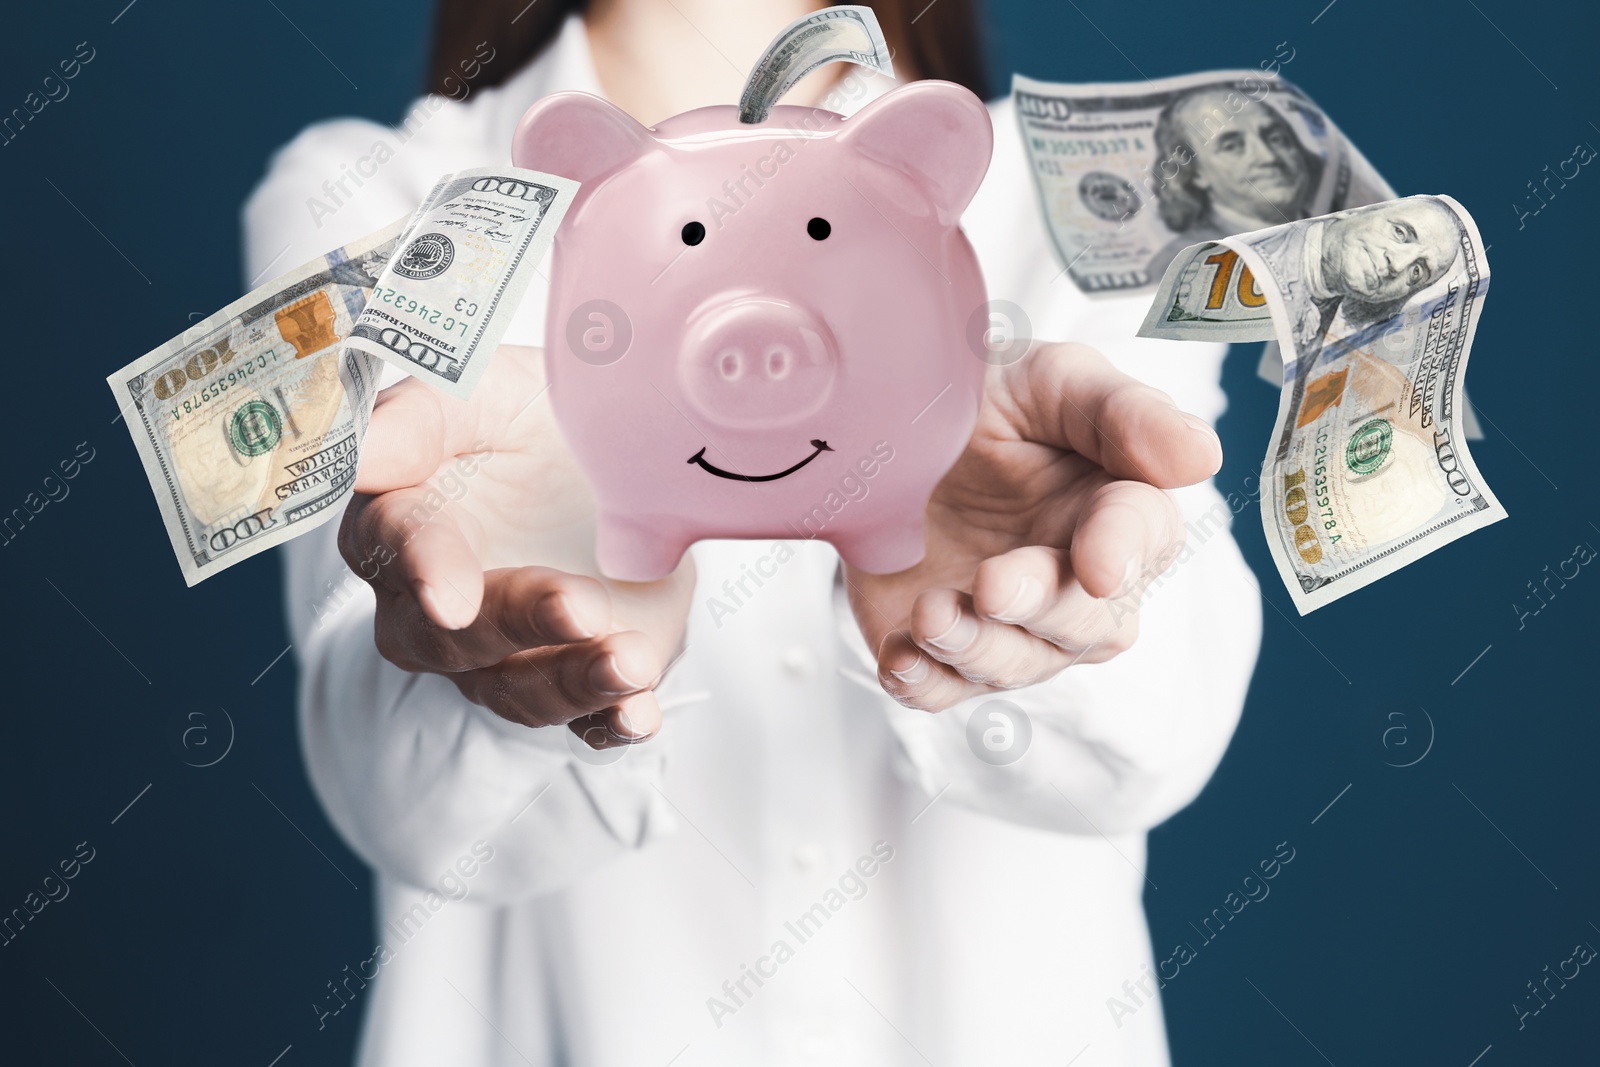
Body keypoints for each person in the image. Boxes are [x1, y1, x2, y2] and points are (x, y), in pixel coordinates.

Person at [244, 1, 1261, 1064]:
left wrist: (1055, 604)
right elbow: (401, 808)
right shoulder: (377, 200)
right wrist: (556, 586)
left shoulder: (1087, 200)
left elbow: (1161, 736)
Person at [1249, 196, 1463, 359]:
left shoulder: (1311, 348)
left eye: (1416, 272)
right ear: (1354, 211)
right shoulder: (1259, 221)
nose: (1397, 265)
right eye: (1400, 233)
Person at [1144, 86, 1321, 281]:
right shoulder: (1177, 268)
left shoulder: (1336, 234)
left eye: (1276, 138)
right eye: (1232, 146)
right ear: (1194, 173)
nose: (1268, 157)